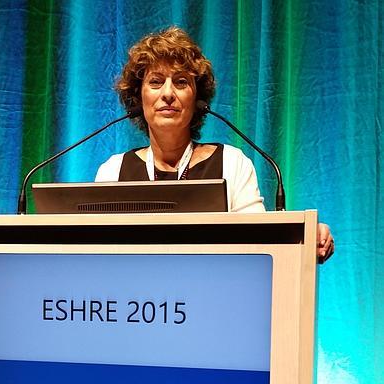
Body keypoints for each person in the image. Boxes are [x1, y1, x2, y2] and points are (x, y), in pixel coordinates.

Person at [95, 26, 334, 261]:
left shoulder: (232, 163)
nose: (168, 93)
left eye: (180, 82)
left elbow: (262, 243)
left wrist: (304, 236)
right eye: (156, 82)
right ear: (138, 99)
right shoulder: (113, 171)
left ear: (198, 99)